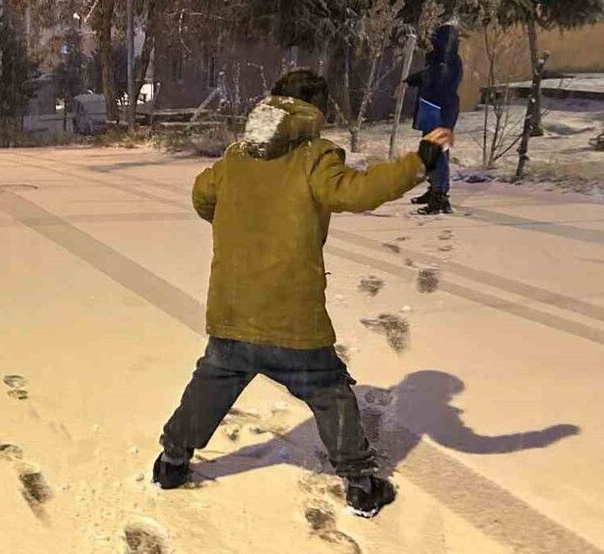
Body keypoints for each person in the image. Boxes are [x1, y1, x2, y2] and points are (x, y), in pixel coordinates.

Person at [151, 67, 451, 519]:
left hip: (233, 310)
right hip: (291, 317)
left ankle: (172, 462)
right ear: (316, 110)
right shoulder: (313, 157)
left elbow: (201, 194)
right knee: (329, 392)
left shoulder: (237, 156)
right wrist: (419, 160)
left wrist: (243, 222)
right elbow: (358, 192)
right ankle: (361, 483)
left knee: (212, 383)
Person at [405, 22, 461, 215]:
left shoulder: (446, 61)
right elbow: (428, 76)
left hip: (439, 110)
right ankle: (434, 189)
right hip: (432, 108)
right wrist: (409, 81)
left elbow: (436, 83)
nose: (432, 40)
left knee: (436, 151)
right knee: (431, 151)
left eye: (436, 37)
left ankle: (440, 197)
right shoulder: (439, 59)